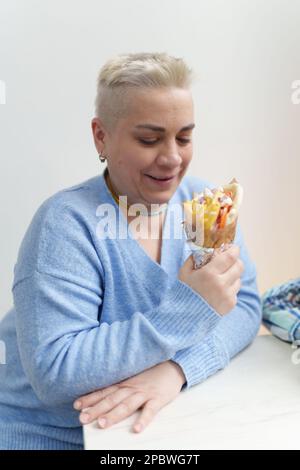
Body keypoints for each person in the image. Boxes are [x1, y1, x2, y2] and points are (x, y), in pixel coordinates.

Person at [0, 52, 261, 450]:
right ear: (101, 136)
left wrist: (177, 369)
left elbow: (243, 305)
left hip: (146, 432)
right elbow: (56, 372)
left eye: (184, 137)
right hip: (47, 434)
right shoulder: (65, 225)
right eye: (149, 139)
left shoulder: (206, 207)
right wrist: (189, 307)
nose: (173, 157)